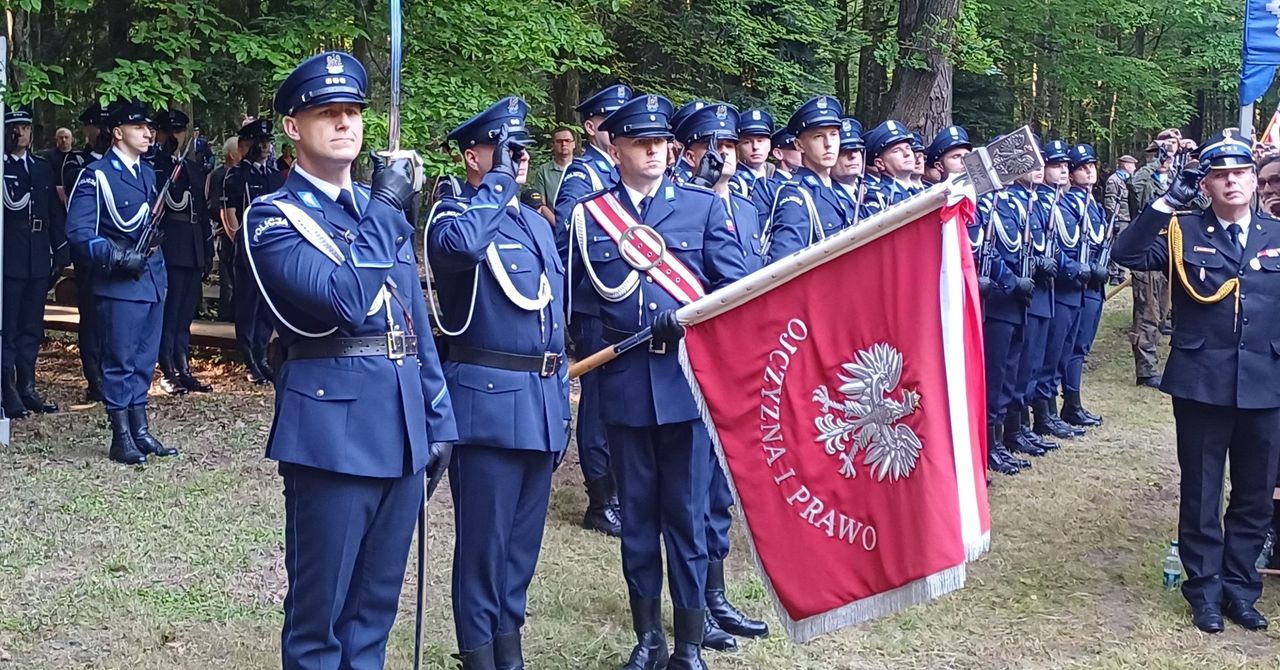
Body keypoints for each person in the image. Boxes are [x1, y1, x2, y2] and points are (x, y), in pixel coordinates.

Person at [244, 51, 456, 668]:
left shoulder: (372, 210)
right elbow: (344, 300)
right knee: (321, 619)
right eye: (326, 113)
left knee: (374, 614)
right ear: (292, 126)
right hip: (331, 432)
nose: (344, 124)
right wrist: (389, 210)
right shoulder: (273, 218)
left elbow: (411, 320)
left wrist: (438, 417)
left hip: (400, 428)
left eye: (353, 112)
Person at [567, 93, 749, 670]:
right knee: (639, 521)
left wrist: (689, 326)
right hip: (623, 387)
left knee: (686, 517)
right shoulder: (590, 215)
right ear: (614, 147)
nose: (651, 150)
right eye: (638, 141)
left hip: (685, 389)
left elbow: (735, 293)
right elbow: (582, 310)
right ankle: (647, 638)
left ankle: (690, 645)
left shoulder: (700, 208)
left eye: (659, 141)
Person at [1113, 130, 1280, 634]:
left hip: (1267, 382)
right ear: (1205, 183)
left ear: (1254, 180)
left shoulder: (1276, 235)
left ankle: (1240, 589)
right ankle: (1204, 591)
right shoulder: (1185, 230)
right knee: (1203, 492)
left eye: (1240, 173)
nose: (1231, 182)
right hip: (1203, 381)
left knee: (1253, 496)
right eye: (1219, 175)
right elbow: (1127, 252)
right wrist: (1166, 201)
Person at [426, 95, 569, 670]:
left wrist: (560, 406)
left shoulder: (534, 223)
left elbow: (553, 323)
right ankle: (480, 657)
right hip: (487, 407)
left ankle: (509, 654)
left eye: (522, 149)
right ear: (472, 156)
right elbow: (460, 249)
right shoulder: (452, 215)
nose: (519, 159)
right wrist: (497, 186)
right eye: (504, 149)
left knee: (520, 552)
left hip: (538, 403)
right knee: (483, 551)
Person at [672, 101, 770, 652]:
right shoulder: (687, 205)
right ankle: (697, 604)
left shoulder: (749, 206)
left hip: (738, 360)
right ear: (688, 153)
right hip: (696, 364)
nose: (724, 154)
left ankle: (716, 594)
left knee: (719, 493)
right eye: (711, 145)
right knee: (695, 491)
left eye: (729, 145)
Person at [66, 99, 176, 465]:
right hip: (120, 283)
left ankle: (141, 430)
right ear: (118, 133)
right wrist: (117, 256)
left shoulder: (146, 173)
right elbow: (79, 232)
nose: (149, 133)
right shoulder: (97, 175)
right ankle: (121, 436)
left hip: (152, 278)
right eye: (139, 127)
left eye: (150, 127)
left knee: (145, 359)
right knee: (121, 361)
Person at [555, 83, 633, 538]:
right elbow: (570, 238)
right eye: (613, 118)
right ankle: (601, 498)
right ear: (591, 127)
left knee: (621, 398)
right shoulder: (584, 176)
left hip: (626, 306)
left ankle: (622, 488)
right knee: (599, 402)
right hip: (594, 304)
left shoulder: (623, 174)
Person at [2, 107, 65, 418]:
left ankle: (27, 385)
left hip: (38, 255)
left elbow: (53, 212)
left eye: (25, 127)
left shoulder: (40, 168)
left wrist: (60, 250)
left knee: (31, 325)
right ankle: (7, 388)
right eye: (15, 127)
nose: (21, 133)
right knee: (8, 326)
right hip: (10, 256)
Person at [149, 110, 212, 394]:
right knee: (169, 310)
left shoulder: (192, 167)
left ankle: (182, 364)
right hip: (172, 247)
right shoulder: (156, 166)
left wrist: (207, 250)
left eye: (180, 132)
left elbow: (200, 208)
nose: (176, 137)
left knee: (185, 312)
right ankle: (166, 367)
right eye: (170, 132)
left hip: (193, 246)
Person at [1030, 140, 1086, 440]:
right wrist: (1072, 269)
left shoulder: (1063, 202)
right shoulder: (1035, 202)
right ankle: (1040, 414)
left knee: (1061, 352)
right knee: (1043, 356)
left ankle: (1049, 411)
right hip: (1050, 286)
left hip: (1067, 286)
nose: (1063, 170)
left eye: (1065, 165)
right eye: (1056, 165)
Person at [226, 118, 282, 384]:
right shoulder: (238, 175)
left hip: (270, 251)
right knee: (248, 304)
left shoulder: (273, 176)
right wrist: (241, 241)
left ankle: (261, 354)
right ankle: (248, 356)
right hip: (247, 249)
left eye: (268, 141)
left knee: (265, 306)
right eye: (260, 142)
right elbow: (230, 213)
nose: (265, 147)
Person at [63, 103, 112, 401]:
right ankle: (94, 376)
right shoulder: (77, 162)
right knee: (92, 316)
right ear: (88, 129)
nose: (103, 132)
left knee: (112, 315)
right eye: (98, 126)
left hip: (115, 251)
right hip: (90, 249)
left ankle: (111, 372)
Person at [764, 95, 851, 262]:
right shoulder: (796, 194)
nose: (828, 144)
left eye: (833, 134)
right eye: (818, 136)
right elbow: (785, 264)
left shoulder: (836, 191)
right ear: (799, 145)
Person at [1058, 144, 1107, 428]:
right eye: (1082, 168)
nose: (1089, 171)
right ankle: (1071, 404)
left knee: (1083, 344)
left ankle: (1074, 402)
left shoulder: (1094, 205)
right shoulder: (1068, 204)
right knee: (1074, 346)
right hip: (1080, 282)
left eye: (1091, 166)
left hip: (1094, 283)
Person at [208, 136, 241, 321]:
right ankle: (225, 318)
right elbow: (213, 204)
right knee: (227, 281)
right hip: (225, 234)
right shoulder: (218, 175)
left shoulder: (243, 174)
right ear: (231, 154)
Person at [729, 108, 776, 218]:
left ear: (769, 145)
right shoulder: (733, 181)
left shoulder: (776, 178)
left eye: (760, 141)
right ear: (738, 147)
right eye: (747, 142)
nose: (755, 147)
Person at [527, 125, 577, 223]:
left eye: (567, 140)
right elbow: (541, 205)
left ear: (574, 144)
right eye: (559, 141)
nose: (564, 144)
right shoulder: (544, 170)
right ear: (553, 145)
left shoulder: (583, 168)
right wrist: (558, 225)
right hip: (553, 226)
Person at [1104, 154, 1136, 284]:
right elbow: (1109, 201)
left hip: (1127, 217)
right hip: (1119, 218)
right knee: (1116, 246)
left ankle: (1121, 272)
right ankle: (1114, 274)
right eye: (1133, 165)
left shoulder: (1128, 180)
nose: (1134, 167)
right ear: (1126, 165)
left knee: (1124, 246)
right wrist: (1114, 218)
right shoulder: (1114, 180)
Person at [831, 117, 866, 219]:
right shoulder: (827, 196)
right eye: (843, 151)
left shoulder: (872, 192)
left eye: (856, 149)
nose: (853, 156)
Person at [44, 126, 74, 203]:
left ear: (72, 139)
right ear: (56, 139)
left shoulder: (78, 156)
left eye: (66, 137)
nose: (64, 140)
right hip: (54, 196)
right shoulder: (48, 157)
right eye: (61, 138)